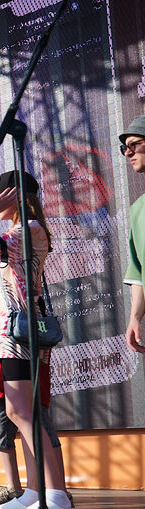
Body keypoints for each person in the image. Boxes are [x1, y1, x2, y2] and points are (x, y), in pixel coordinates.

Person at [0, 170, 73, 509]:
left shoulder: (28, 230)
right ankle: (34, 491)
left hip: (21, 332)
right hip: (7, 333)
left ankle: (55, 492)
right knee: (18, 411)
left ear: (16, 196)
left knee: (22, 412)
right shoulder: (15, 234)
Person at [0, 333, 66, 509]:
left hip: (28, 391)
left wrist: (0, 382)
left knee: (40, 430)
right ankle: (18, 490)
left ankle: (57, 489)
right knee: (3, 432)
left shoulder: (25, 335)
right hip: (1, 395)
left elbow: (22, 367)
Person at [120, 115, 145, 353]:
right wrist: (135, 317)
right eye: (124, 148)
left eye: (134, 144)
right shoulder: (138, 209)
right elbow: (138, 271)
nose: (128, 153)